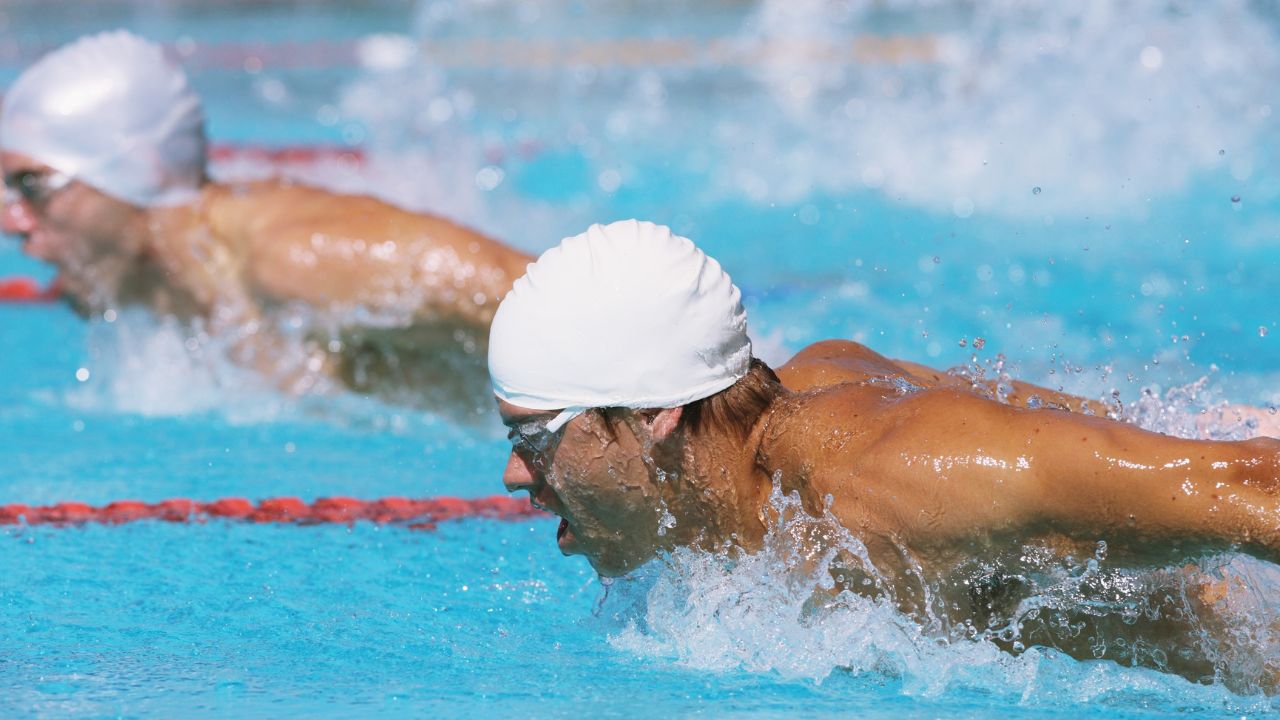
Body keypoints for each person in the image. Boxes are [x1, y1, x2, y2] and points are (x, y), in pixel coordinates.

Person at [491, 219, 1280, 689]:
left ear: (655, 415)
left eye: (535, 439)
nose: (513, 474)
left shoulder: (902, 478)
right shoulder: (787, 423)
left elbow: (1248, 482)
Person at [1, 31, 532, 411]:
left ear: (136, 171)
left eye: (31, 186)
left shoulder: (297, 260)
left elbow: (569, 308)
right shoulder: (177, 294)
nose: (10, 221)